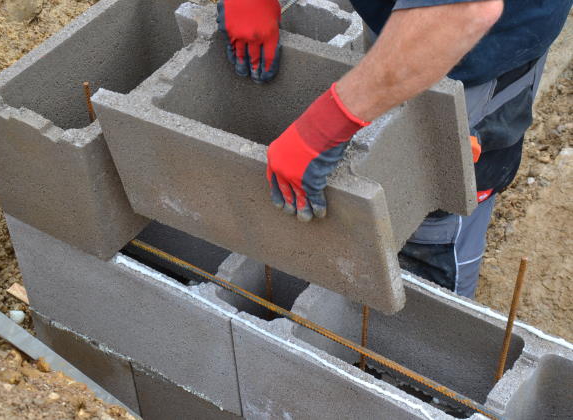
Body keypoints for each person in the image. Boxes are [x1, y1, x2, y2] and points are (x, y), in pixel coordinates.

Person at [217, 0, 572, 298]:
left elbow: (463, 10)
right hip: (403, 16)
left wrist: (322, 127)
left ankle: (431, 323)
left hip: (474, 49)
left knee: (433, 212)